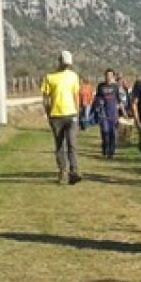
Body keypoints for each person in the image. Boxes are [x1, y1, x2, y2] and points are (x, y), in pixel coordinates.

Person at [41, 50, 83, 185]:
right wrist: (48, 114)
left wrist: (77, 113)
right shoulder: (49, 77)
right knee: (59, 145)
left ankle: (74, 171)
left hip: (71, 115)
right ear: (59, 61)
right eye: (64, 63)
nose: (66, 66)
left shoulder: (73, 76)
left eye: (68, 64)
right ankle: (62, 171)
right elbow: (46, 98)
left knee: (72, 143)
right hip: (56, 116)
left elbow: (76, 95)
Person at [93, 68, 127, 158]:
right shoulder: (101, 86)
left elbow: (119, 100)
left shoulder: (116, 87)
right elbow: (97, 98)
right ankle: (105, 150)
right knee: (105, 132)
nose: (108, 77)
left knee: (113, 133)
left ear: (113, 76)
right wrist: (98, 104)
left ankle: (112, 152)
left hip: (113, 113)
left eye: (110, 75)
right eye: (107, 75)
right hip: (103, 113)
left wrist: (124, 112)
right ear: (105, 76)